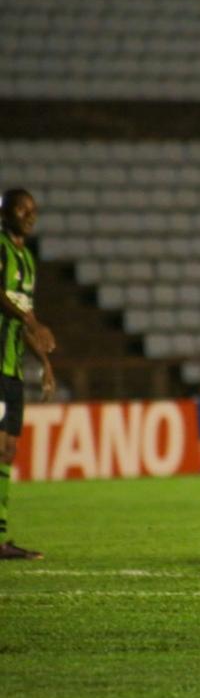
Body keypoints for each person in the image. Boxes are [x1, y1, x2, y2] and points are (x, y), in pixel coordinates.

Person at [0, 189, 56, 560]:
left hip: (12, 367)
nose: (29, 215)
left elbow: (26, 323)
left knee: (7, 449)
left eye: (33, 210)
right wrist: (31, 319)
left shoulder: (29, 261)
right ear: (5, 212)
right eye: (22, 208)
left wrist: (46, 364)